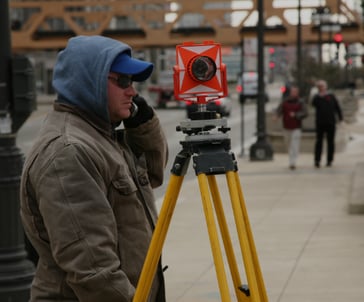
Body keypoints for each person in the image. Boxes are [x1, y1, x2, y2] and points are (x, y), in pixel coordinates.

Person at [20, 35, 168, 302]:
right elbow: (93, 271)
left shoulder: (102, 135)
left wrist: (141, 122)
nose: (132, 90)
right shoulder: (68, 152)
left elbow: (153, 173)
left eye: (132, 82)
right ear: (91, 82)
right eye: (122, 81)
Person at [312, 79, 343, 168]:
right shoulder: (317, 97)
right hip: (320, 123)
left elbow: (337, 108)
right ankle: (317, 160)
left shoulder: (331, 96)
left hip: (330, 122)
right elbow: (313, 104)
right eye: (319, 86)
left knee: (330, 142)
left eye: (322, 86)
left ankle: (329, 160)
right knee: (319, 142)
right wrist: (317, 94)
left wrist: (341, 119)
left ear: (326, 87)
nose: (321, 88)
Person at [275, 85, 307, 170]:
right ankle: (291, 158)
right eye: (292, 91)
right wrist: (276, 116)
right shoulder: (285, 101)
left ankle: (293, 162)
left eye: (295, 92)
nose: (293, 93)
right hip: (286, 126)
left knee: (294, 144)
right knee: (289, 144)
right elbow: (279, 110)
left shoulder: (300, 102)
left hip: (296, 127)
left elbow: (305, 112)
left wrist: (296, 115)